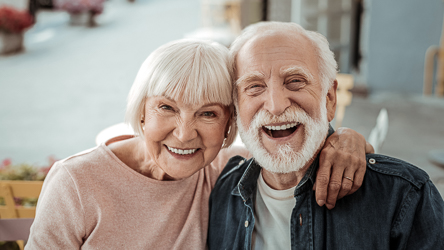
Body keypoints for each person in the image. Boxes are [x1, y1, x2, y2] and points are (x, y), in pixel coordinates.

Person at [26, 39, 371, 249]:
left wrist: (345, 138)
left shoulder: (223, 170)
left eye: (207, 114)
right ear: (141, 111)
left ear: (228, 128)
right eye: (166, 108)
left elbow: (290, 144)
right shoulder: (76, 182)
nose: (184, 134)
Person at [208, 21, 444, 249]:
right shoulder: (220, 191)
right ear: (237, 108)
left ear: (329, 99)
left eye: (295, 81)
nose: (276, 105)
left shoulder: (403, 196)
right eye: (255, 86)